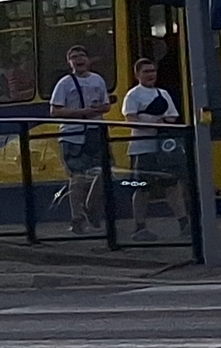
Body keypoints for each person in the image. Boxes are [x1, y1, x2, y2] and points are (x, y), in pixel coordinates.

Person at [118, 58, 186, 243]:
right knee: (142, 188)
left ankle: (184, 223)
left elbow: (172, 117)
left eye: (153, 71)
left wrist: (156, 122)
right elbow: (130, 119)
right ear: (138, 74)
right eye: (146, 71)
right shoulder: (133, 95)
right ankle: (139, 227)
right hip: (142, 148)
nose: (150, 74)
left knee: (172, 185)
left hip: (164, 149)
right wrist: (153, 122)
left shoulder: (163, 93)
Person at [47, 44, 110, 234]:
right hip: (72, 135)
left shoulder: (98, 80)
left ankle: (91, 206)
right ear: (69, 62)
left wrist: (97, 109)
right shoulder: (64, 83)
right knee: (77, 177)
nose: (79, 59)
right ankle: (77, 218)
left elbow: (106, 105)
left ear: (89, 60)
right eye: (74, 57)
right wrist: (81, 113)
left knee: (102, 172)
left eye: (82, 55)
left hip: (94, 132)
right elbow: (55, 110)